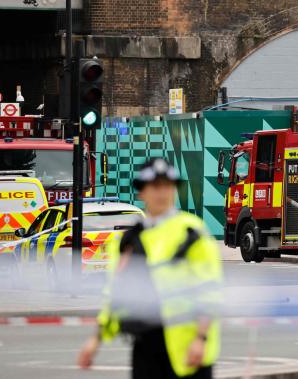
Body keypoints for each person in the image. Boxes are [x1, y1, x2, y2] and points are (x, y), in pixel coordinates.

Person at [78, 158, 223, 378]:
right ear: (142, 192)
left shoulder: (191, 231)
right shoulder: (129, 240)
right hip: (146, 345)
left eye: (168, 186)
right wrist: (95, 340)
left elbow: (210, 289)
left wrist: (200, 339)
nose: (162, 193)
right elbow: (116, 293)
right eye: (155, 186)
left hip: (187, 346)